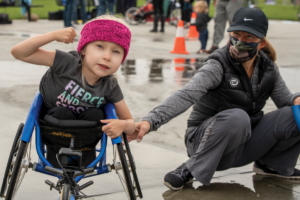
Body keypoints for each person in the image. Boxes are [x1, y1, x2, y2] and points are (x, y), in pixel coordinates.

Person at [129, 8, 300, 191]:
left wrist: (297, 99)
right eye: (236, 34)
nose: (241, 41)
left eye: (249, 37)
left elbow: (287, 103)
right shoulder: (217, 65)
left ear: (262, 43)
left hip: (244, 142)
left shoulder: (268, 68)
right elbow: (186, 95)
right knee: (238, 117)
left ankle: (272, 165)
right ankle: (190, 168)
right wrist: (150, 120)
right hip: (204, 144)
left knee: (295, 114)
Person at [10, 15, 135, 140]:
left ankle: (85, 157)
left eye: (116, 51)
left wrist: (123, 125)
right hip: (53, 128)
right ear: (84, 49)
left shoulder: (110, 85)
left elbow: (130, 123)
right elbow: (18, 52)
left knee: (95, 114)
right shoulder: (66, 63)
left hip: (85, 140)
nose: (107, 57)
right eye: (100, 46)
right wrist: (53, 36)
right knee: (61, 112)